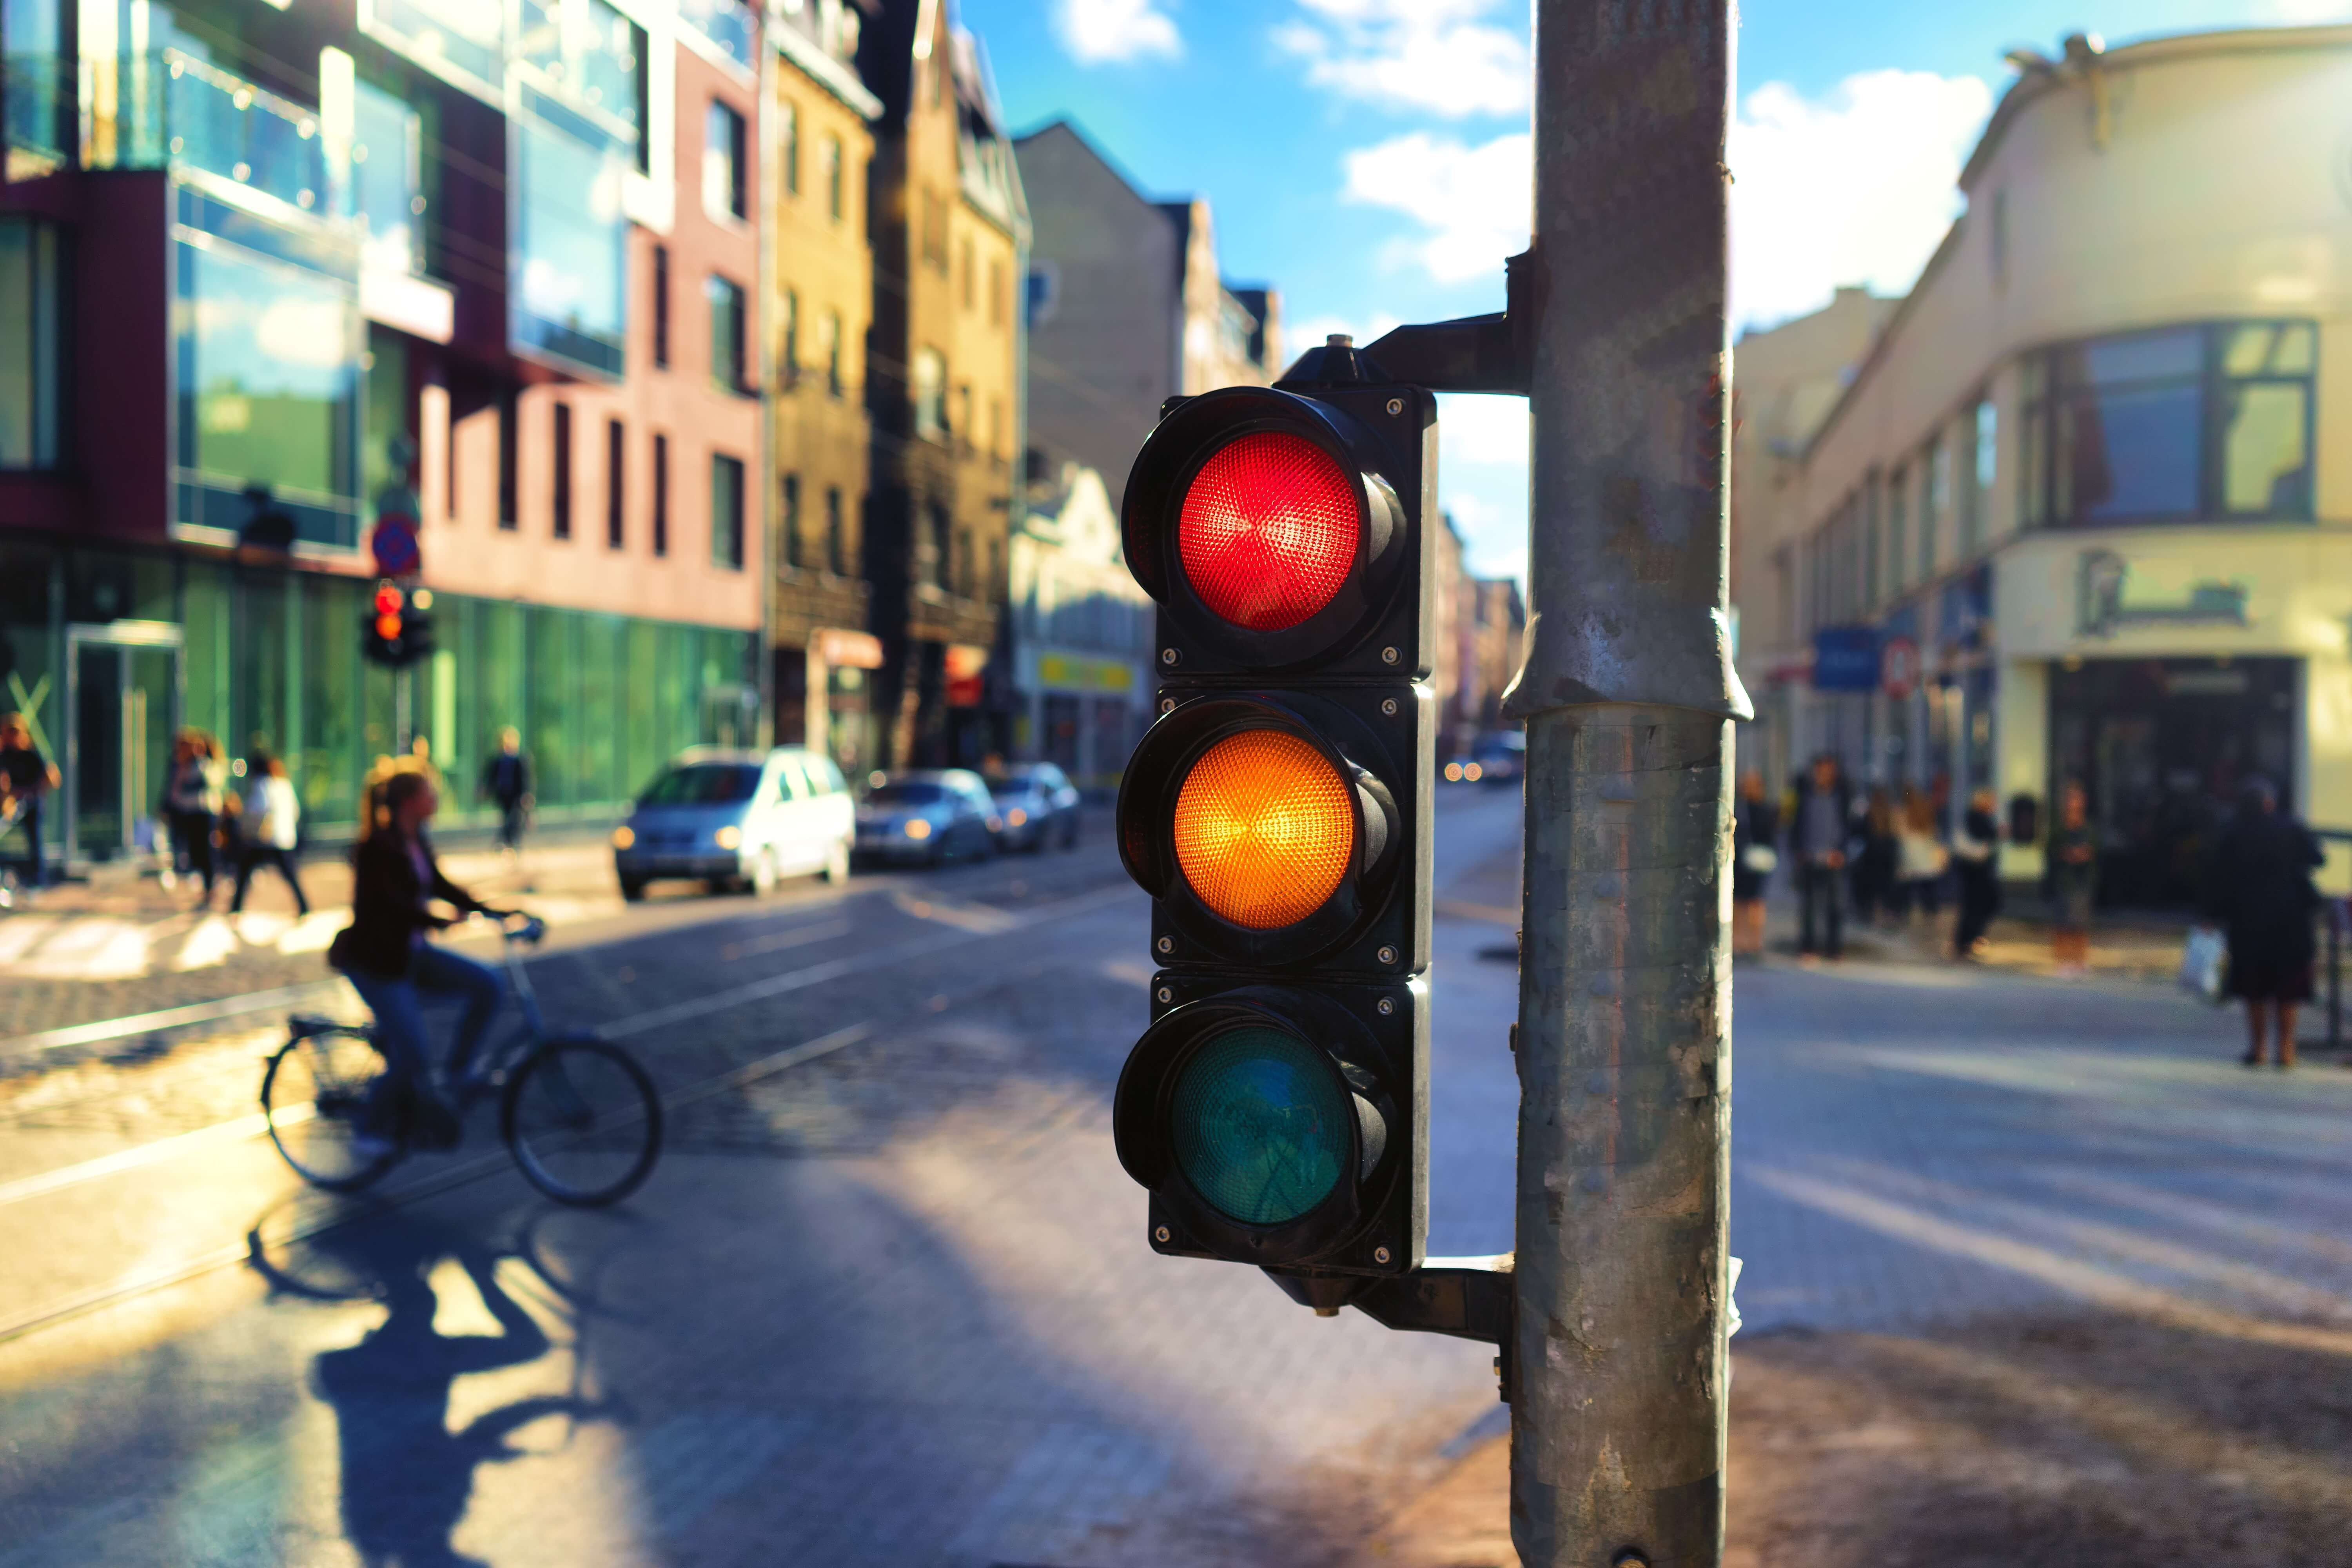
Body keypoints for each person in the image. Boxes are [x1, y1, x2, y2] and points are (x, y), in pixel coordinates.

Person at [328, 769, 506, 1141]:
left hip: (413, 955)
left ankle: (459, 1071)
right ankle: (368, 1130)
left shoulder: (415, 839)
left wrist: (490, 911)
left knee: (488, 984)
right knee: (413, 1055)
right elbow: (388, 907)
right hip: (378, 964)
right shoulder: (377, 847)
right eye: (430, 794)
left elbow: (438, 883)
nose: (436, 800)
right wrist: (434, 920)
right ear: (410, 802)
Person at [2201, 777, 2323, 1069]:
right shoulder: (2291, 828)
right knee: (2287, 990)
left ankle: (2258, 1049)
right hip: (2290, 920)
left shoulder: (2233, 832)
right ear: (2271, 803)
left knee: (2253, 988)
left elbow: (2216, 875)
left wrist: (2210, 915)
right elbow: (2316, 858)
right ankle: (2287, 1050)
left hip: (2247, 921)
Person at [1788, 753, 1855, 960]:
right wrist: (1798, 851)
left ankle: (1834, 949)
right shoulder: (1803, 795)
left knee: (1836, 905)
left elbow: (1850, 827)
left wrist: (1842, 853)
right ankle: (1808, 947)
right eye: (1820, 770)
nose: (1823, 775)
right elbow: (1795, 825)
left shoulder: (1842, 797)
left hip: (1834, 858)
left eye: (1828, 770)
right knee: (1808, 905)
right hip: (1809, 856)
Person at [230, 751, 310, 916]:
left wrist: (243, 821)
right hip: (284, 838)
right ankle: (304, 907)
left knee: (244, 873)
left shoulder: (261, 784)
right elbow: (295, 811)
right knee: (290, 875)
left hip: (263, 839)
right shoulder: (284, 784)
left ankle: (235, 909)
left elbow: (258, 809)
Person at [162, 729, 227, 906]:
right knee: (193, 850)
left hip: (204, 813)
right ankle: (203, 885)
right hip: (186, 812)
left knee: (205, 849)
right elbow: (173, 789)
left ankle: (211, 887)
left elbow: (206, 784)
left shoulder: (204, 765)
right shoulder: (179, 765)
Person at [0, 711, 59, 892]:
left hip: (32, 801)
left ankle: (39, 880)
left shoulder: (32, 752)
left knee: (35, 838)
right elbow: (4, 780)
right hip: (16, 799)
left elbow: (53, 778)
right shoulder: (6, 754)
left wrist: (34, 791)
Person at [2047, 780, 2098, 977]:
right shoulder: (2059, 829)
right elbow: (2052, 851)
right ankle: (2062, 961)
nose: (2074, 804)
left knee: (2081, 922)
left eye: (2077, 800)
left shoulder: (2088, 829)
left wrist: (2085, 855)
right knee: (2063, 922)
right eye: (2071, 800)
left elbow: (2095, 851)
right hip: (2064, 881)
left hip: (2083, 881)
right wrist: (2067, 854)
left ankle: (2080, 960)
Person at [1730, 768, 1779, 959]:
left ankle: (1753, 942)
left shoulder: (1763, 809)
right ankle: (1740, 942)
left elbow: (1770, 835)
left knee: (1754, 903)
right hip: (1743, 860)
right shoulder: (1741, 807)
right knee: (1741, 902)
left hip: (1756, 861)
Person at [1951, 786, 2004, 958]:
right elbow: (1986, 839)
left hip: (1973, 870)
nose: (1994, 805)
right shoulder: (1978, 818)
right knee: (1979, 905)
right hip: (1976, 871)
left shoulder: (1974, 817)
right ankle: (1967, 942)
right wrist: (1998, 834)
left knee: (1975, 906)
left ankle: (1967, 942)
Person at [1895, 788, 1949, 922]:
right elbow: (1935, 835)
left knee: (1908, 890)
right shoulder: (1926, 814)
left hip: (1909, 857)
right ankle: (1931, 914)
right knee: (1928, 890)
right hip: (1926, 858)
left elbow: (1899, 835)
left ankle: (1906, 913)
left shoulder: (1901, 815)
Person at [480, 728, 533, 859]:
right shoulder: (498, 760)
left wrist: (526, 795)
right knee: (507, 819)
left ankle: (511, 843)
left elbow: (525, 779)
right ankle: (507, 843)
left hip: (516, 796)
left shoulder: (520, 759)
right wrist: (486, 789)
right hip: (503, 795)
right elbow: (490, 776)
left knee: (514, 820)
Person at [1851, 786, 1897, 927]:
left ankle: (1870, 914)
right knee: (1885, 888)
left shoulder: (1869, 815)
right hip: (1887, 857)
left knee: (1870, 888)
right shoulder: (1889, 815)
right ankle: (1886, 914)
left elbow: (1858, 832)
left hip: (1871, 857)